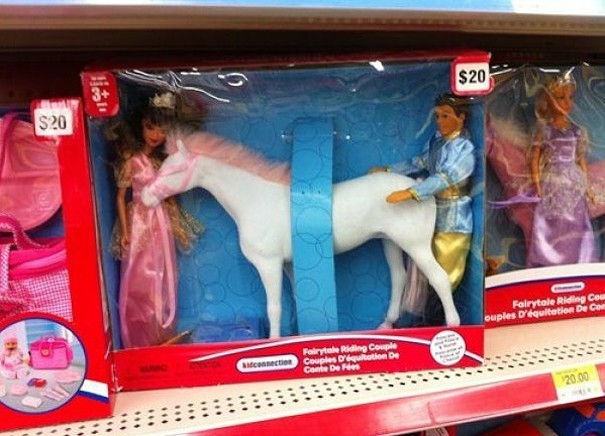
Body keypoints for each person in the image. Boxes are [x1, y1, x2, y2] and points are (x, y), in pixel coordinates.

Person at [108, 91, 204, 349]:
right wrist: (125, 231)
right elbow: (121, 197)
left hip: (160, 221)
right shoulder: (132, 161)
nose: (156, 134)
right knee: (139, 278)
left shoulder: (162, 162)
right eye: (151, 127)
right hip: (139, 222)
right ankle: (138, 338)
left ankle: (162, 333)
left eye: (163, 130)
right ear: (140, 125)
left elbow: (168, 196)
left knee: (164, 275)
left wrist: (178, 227)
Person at [378, 93, 475, 291]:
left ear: (461, 117)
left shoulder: (464, 149)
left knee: (447, 272)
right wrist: (389, 170)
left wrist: (412, 192)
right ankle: (428, 306)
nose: (440, 121)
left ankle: (441, 306)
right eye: (437, 116)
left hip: (453, 217)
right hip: (430, 212)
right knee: (426, 270)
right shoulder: (437, 141)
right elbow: (419, 162)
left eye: (446, 115)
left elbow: (446, 178)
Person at [526, 73, 596, 267]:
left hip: (573, 182)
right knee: (552, 222)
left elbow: (581, 160)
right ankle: (546, 260)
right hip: (553, 182)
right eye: (560, 97)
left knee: (576, 221)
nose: (567, 103)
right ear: (548, 100)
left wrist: (587, 186)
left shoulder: (576, 130)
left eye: (570, 97)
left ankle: (580, 259)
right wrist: (537, 185)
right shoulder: (545, 130)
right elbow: (534, 159)